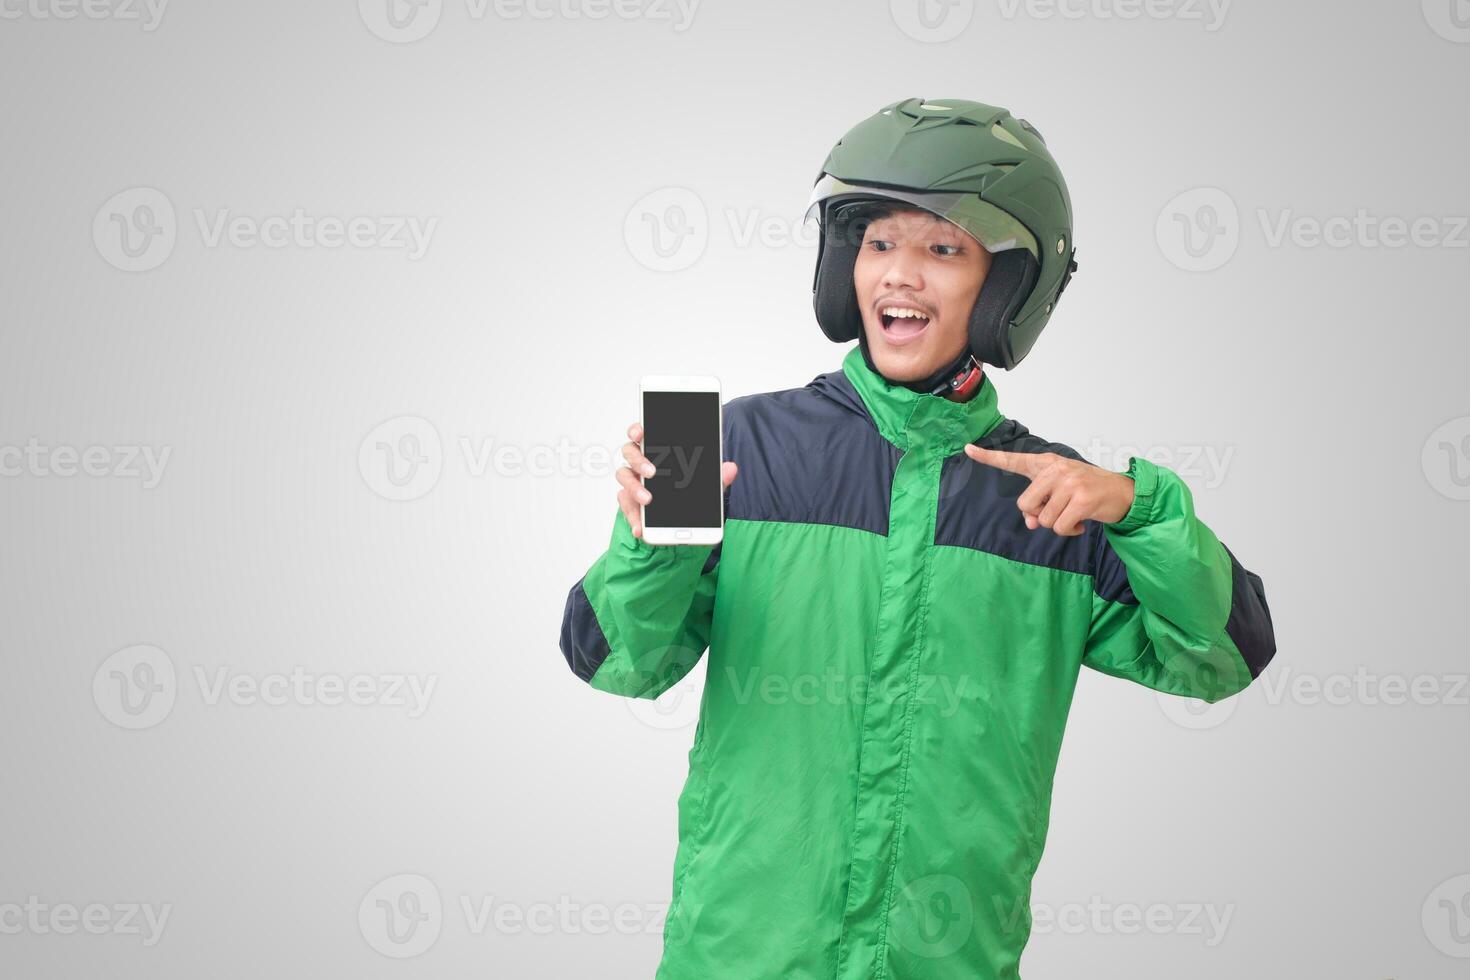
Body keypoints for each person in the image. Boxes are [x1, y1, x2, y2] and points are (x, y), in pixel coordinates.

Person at [558, 97, 1276, 980]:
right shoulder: (735, 446)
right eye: (878, 243)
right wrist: (650, 542)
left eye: (943, 249)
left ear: (1009, 285)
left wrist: (1142, 510)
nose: (900, 275)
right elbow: (616, 660)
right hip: (739, 956)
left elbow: (1223, 657)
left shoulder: (1060, 503)